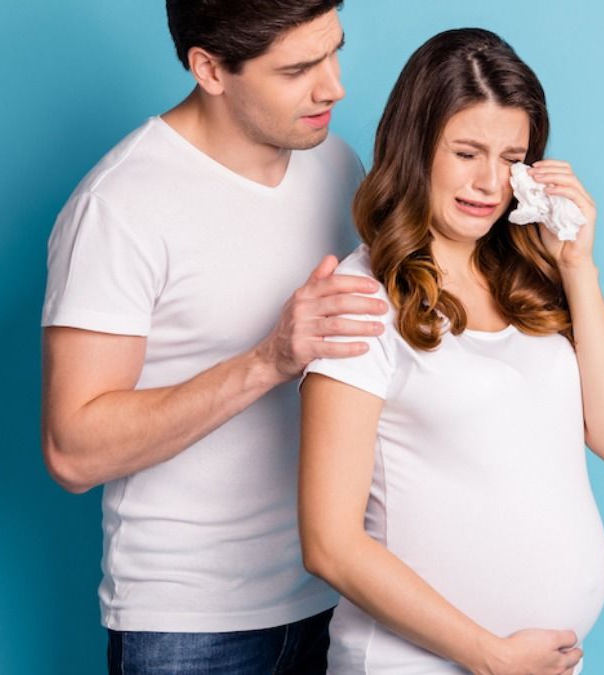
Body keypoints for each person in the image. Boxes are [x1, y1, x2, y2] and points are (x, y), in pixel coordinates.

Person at [39, 2, 388, 672]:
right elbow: (71, 449)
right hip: (191, 626)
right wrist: (269, 358)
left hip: (341, 595)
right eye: (298, 69)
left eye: (334, 52)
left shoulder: (338, 166)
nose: (334, 86)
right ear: (209, 69)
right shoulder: (119, 206)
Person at [299, 28, 604, 674]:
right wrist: (488, 655)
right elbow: (329, 541)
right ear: (416, 147)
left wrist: (578, 265)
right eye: (466, 152)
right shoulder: (364, 296)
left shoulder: (532, 278)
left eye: (510, 156)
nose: (489, 182)